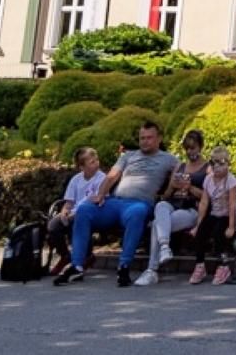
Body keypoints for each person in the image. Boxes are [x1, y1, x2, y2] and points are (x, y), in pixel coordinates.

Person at [68, 121, 179, 287]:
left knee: (137, 213)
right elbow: (112, 175)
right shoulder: (128, 156)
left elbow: (184, 171)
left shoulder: (169, 159)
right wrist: (100, 194)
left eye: (149, 138)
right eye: (142, 138)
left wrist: (168, 192)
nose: (145, 141)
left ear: (159, 139)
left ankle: (124, 266)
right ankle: (76, 266)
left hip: (139, 204)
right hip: (115, 202)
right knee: (84, 209)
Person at [137, 130, 210, 286]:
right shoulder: (180, 166)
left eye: (193, 148)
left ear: (201, 147)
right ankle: (164, 247)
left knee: (157, 224)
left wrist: (189, 187)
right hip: (174, 204)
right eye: (187, 149)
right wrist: (173, 185)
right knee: (161, 205)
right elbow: (166, 195)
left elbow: (208, 196)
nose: (190, 152)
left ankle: (152, 269)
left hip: (192, 209)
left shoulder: (207, 168)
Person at [187, 145, 236, 285]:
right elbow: (204, 203)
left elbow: (231, 204)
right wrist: (198, 225)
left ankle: (223, 266)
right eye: (214, 162)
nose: (217, 167)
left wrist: (231, 226)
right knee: (201, 232)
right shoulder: (208, 179)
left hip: (228, 215)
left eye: (221, 163)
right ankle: (200, 265)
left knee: (220, 233)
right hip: (215, 213)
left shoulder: (230, 179)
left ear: (227, 164)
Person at [48, 147, 106, 284]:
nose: (96, 164)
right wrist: (65, 211)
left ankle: (84, 257)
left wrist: (74, 214)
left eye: (96, 160)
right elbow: (69, 202)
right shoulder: (76, 180)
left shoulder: (102, 178)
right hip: (73, 211)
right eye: (92, 162)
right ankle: (65, 256)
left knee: (76, 222)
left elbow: (98, 200)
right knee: (53, 225)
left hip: (90, 212)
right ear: (82, 167)